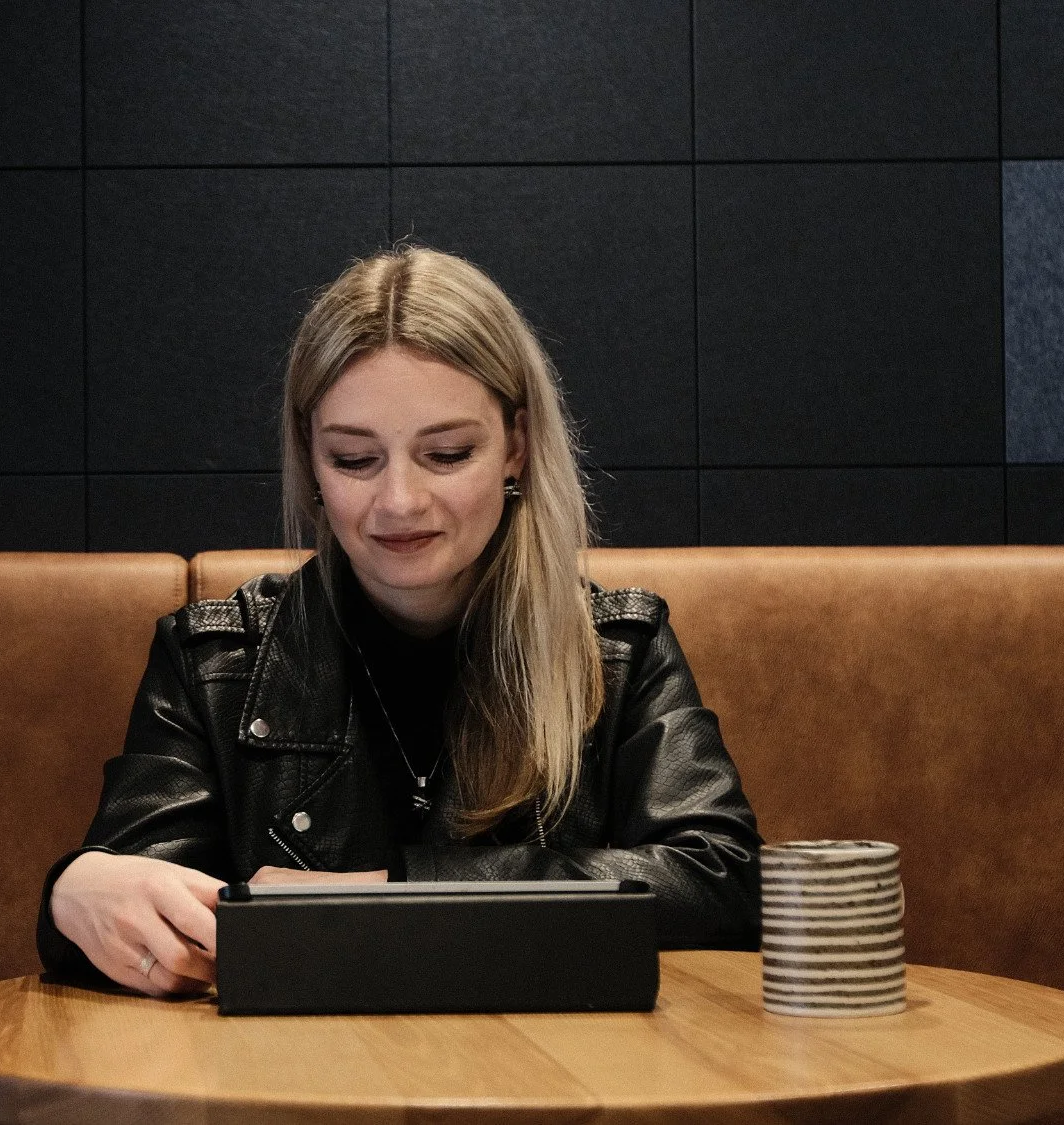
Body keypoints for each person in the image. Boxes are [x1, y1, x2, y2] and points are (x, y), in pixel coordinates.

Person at [38, 247, 761, 997]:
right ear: (310, 461)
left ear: (515, 446)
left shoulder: (620, 650)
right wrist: (73, 892)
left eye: (446, 453)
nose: (400, 501)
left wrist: (386, 892)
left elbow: (727, 883)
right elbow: (134, 900)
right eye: (355, 459)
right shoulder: (215, 661)